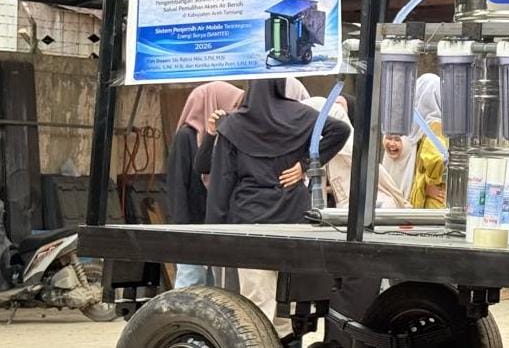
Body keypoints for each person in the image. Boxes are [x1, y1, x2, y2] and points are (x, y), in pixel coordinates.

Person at [205, 78, 349, 339]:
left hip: (250, 223)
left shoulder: (234, 125)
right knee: (288, 305)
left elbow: (221, 184)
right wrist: (306, 164)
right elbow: (340, 130)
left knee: (256, 304)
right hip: (293, 220)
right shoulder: (300, 115)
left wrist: (213, 233)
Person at [165, 81, 243, 288]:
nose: (234, 111)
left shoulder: (227, 137)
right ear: (213, 103)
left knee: (216, 286)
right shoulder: (186, 136)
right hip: (192, 224)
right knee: (190, 281)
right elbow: (177, 185)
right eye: (232, 105)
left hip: (216, 224)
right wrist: (182, 229)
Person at [309, 95, 410, 209]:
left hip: (368, 205)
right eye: (389, 138)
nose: (392, 144)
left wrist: (401, 202)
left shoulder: (350, 146)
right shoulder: (324, 145)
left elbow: (374, 171)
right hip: (346, 206)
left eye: (397, 139)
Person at [381, 74, 447, 209]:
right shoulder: (427, 126)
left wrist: (427, 184)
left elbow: (435, 159)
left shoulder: (433, 127)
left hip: (431, 204)